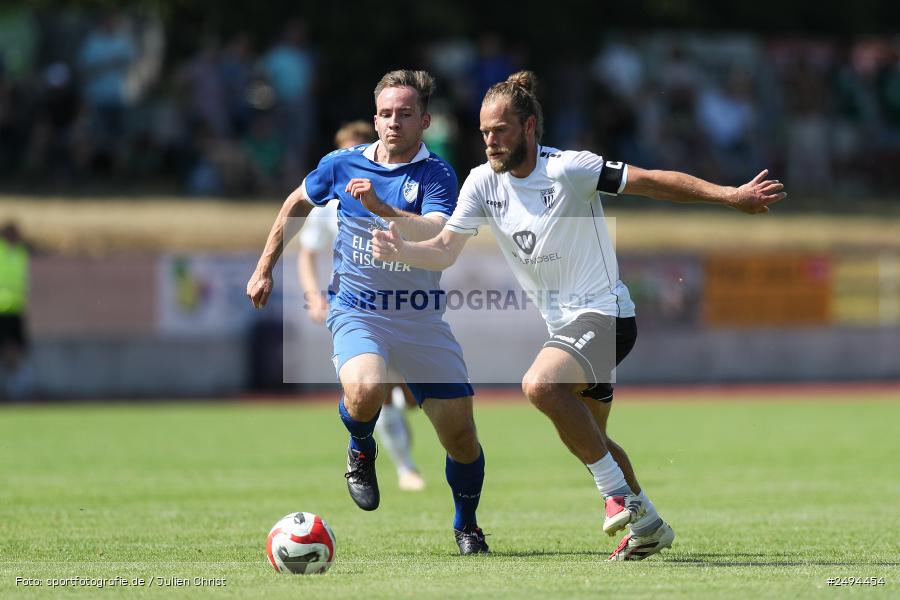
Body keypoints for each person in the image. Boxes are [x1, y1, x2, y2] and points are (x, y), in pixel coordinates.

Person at [372, 71, 786, 561]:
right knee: (594, 438)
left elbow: (653, 182)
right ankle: (649, 525)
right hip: (567, 329)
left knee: (540, 386)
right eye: (484, 132)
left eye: (500, 130)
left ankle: (616, 497)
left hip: (607, 317)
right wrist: (401, 249)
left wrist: (729, 195)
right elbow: (444, 248)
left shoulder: (570, 168)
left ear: (528, 127)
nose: (490, 141)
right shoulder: (482, 182)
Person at [247, 70, 489, 555]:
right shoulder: (341, 164)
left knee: (461, 437)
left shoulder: (438, 174)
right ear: (374, 119)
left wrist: (380, 207)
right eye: (385, 114)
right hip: (358, 309)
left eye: (405, 114)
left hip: (420, 317)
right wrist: (264, 267)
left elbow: (436, 234)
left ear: (424, 121)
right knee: (364, 390)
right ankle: (360, 447)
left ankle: (466, 525)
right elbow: (296, 203)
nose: (394, 122)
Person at [297, 120, 426, 493]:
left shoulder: (396, 194)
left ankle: (399, 443)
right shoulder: (328, 206)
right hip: (357, 310)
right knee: (375, 391)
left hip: (404, 309)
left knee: (411, 399)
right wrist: (313, 295)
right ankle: (404, 467)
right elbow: (307, 252)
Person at [0, 221, 31, 400]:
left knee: (16, 348)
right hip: (1, 308)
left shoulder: (20, 252)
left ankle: (15, 386)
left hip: (15, 308)